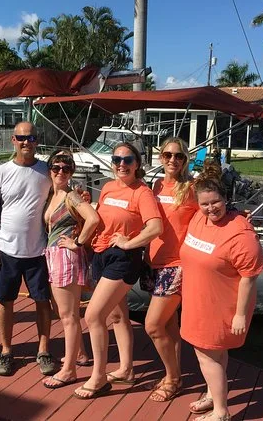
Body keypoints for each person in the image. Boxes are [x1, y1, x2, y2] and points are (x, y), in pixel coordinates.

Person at [74, 142, 163, 399]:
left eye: (128, 160)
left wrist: (129, 243)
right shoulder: (108, 187)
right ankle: (126, 369)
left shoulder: (142, 193)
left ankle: (98, 377)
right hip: (101, 254)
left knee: (93, 315)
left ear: (137, 164)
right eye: (117, 159)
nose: (121, 164)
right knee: (117, 315)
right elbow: (103, 219)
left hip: (123, 258)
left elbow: (155, 227)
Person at [180, 163, 263, 421]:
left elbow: (249, 278)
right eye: (204, 204)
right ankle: (212, 394)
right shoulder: (198, 218)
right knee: (216, 354)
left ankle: (221, 412)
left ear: (226, 198)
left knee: (206, 354)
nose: (210, 208)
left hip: (221, 307)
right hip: (197, 301)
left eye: (215, 202)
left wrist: (240, 315)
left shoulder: (241, 234)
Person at [0, 121, 57, 377]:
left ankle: (43, 350)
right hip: (6, 250)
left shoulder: (47, 171)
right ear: (13, 140)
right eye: (22, 138)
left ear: (37, 141)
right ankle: (6, 351)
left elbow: (60, 196)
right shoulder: (1, 172)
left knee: (43, 302)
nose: (27, 142)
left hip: (38, 251)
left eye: (32, 138)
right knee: (5, 302)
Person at [142, 137, 198, 402]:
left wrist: (237, 216)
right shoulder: (155, 185)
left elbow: (214, 211)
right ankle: (173, 374)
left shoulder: (192, 188)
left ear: (185, 160)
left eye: (179, 156)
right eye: (167, 155)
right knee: (169, 325)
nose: (172, 160)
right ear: (160, 157)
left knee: (153, 325)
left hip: (176, 265)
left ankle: (173, 378)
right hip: (153, 262)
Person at [42, 150, 100, 389]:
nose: (61, 172)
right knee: (64, 311)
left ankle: (69, 370)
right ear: (50, 170)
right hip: (55, 256)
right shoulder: (52, 195)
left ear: (72, 171)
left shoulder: (71, 196)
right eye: (56, 168)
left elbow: (93, 218)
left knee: (68, 316)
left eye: (66, 169)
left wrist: (77, 242)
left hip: (65, 256)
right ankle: (80, 354)